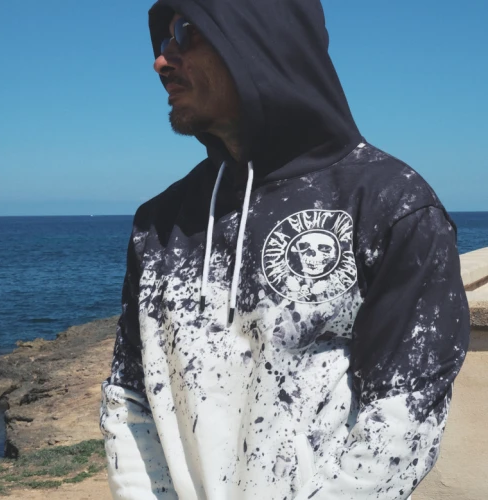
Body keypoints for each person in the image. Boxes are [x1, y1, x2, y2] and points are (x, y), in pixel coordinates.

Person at [100, 0, 470, 498]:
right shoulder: (159, 223)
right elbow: (130, 396)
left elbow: (404, 415)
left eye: (187, 32)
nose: (161, 61)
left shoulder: (390, 204)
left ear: (261, 37)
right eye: (164, 40)